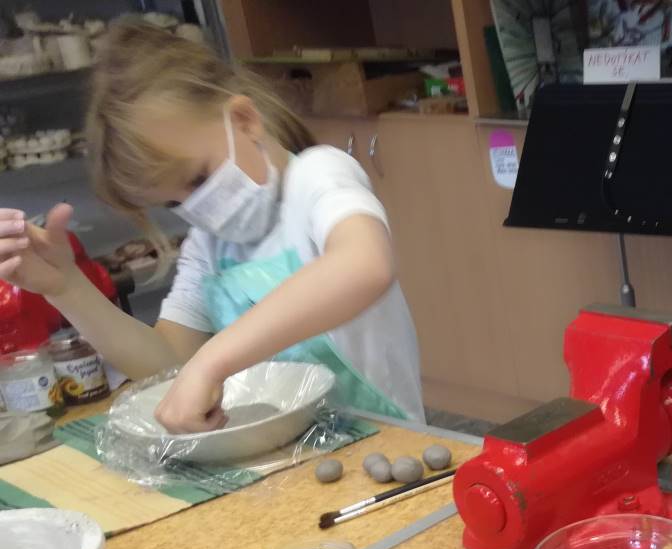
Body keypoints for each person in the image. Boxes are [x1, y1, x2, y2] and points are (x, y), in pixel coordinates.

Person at [0, 21, 424, 433]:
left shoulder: (319, 176)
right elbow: (168, 364)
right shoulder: (208, 245)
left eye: (199, 179)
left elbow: (363, 265)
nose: (197, 208)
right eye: (173, 202)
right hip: (290, 455)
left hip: (384, 443)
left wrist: (213, 359)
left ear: (244, 119)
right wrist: (67, 288)